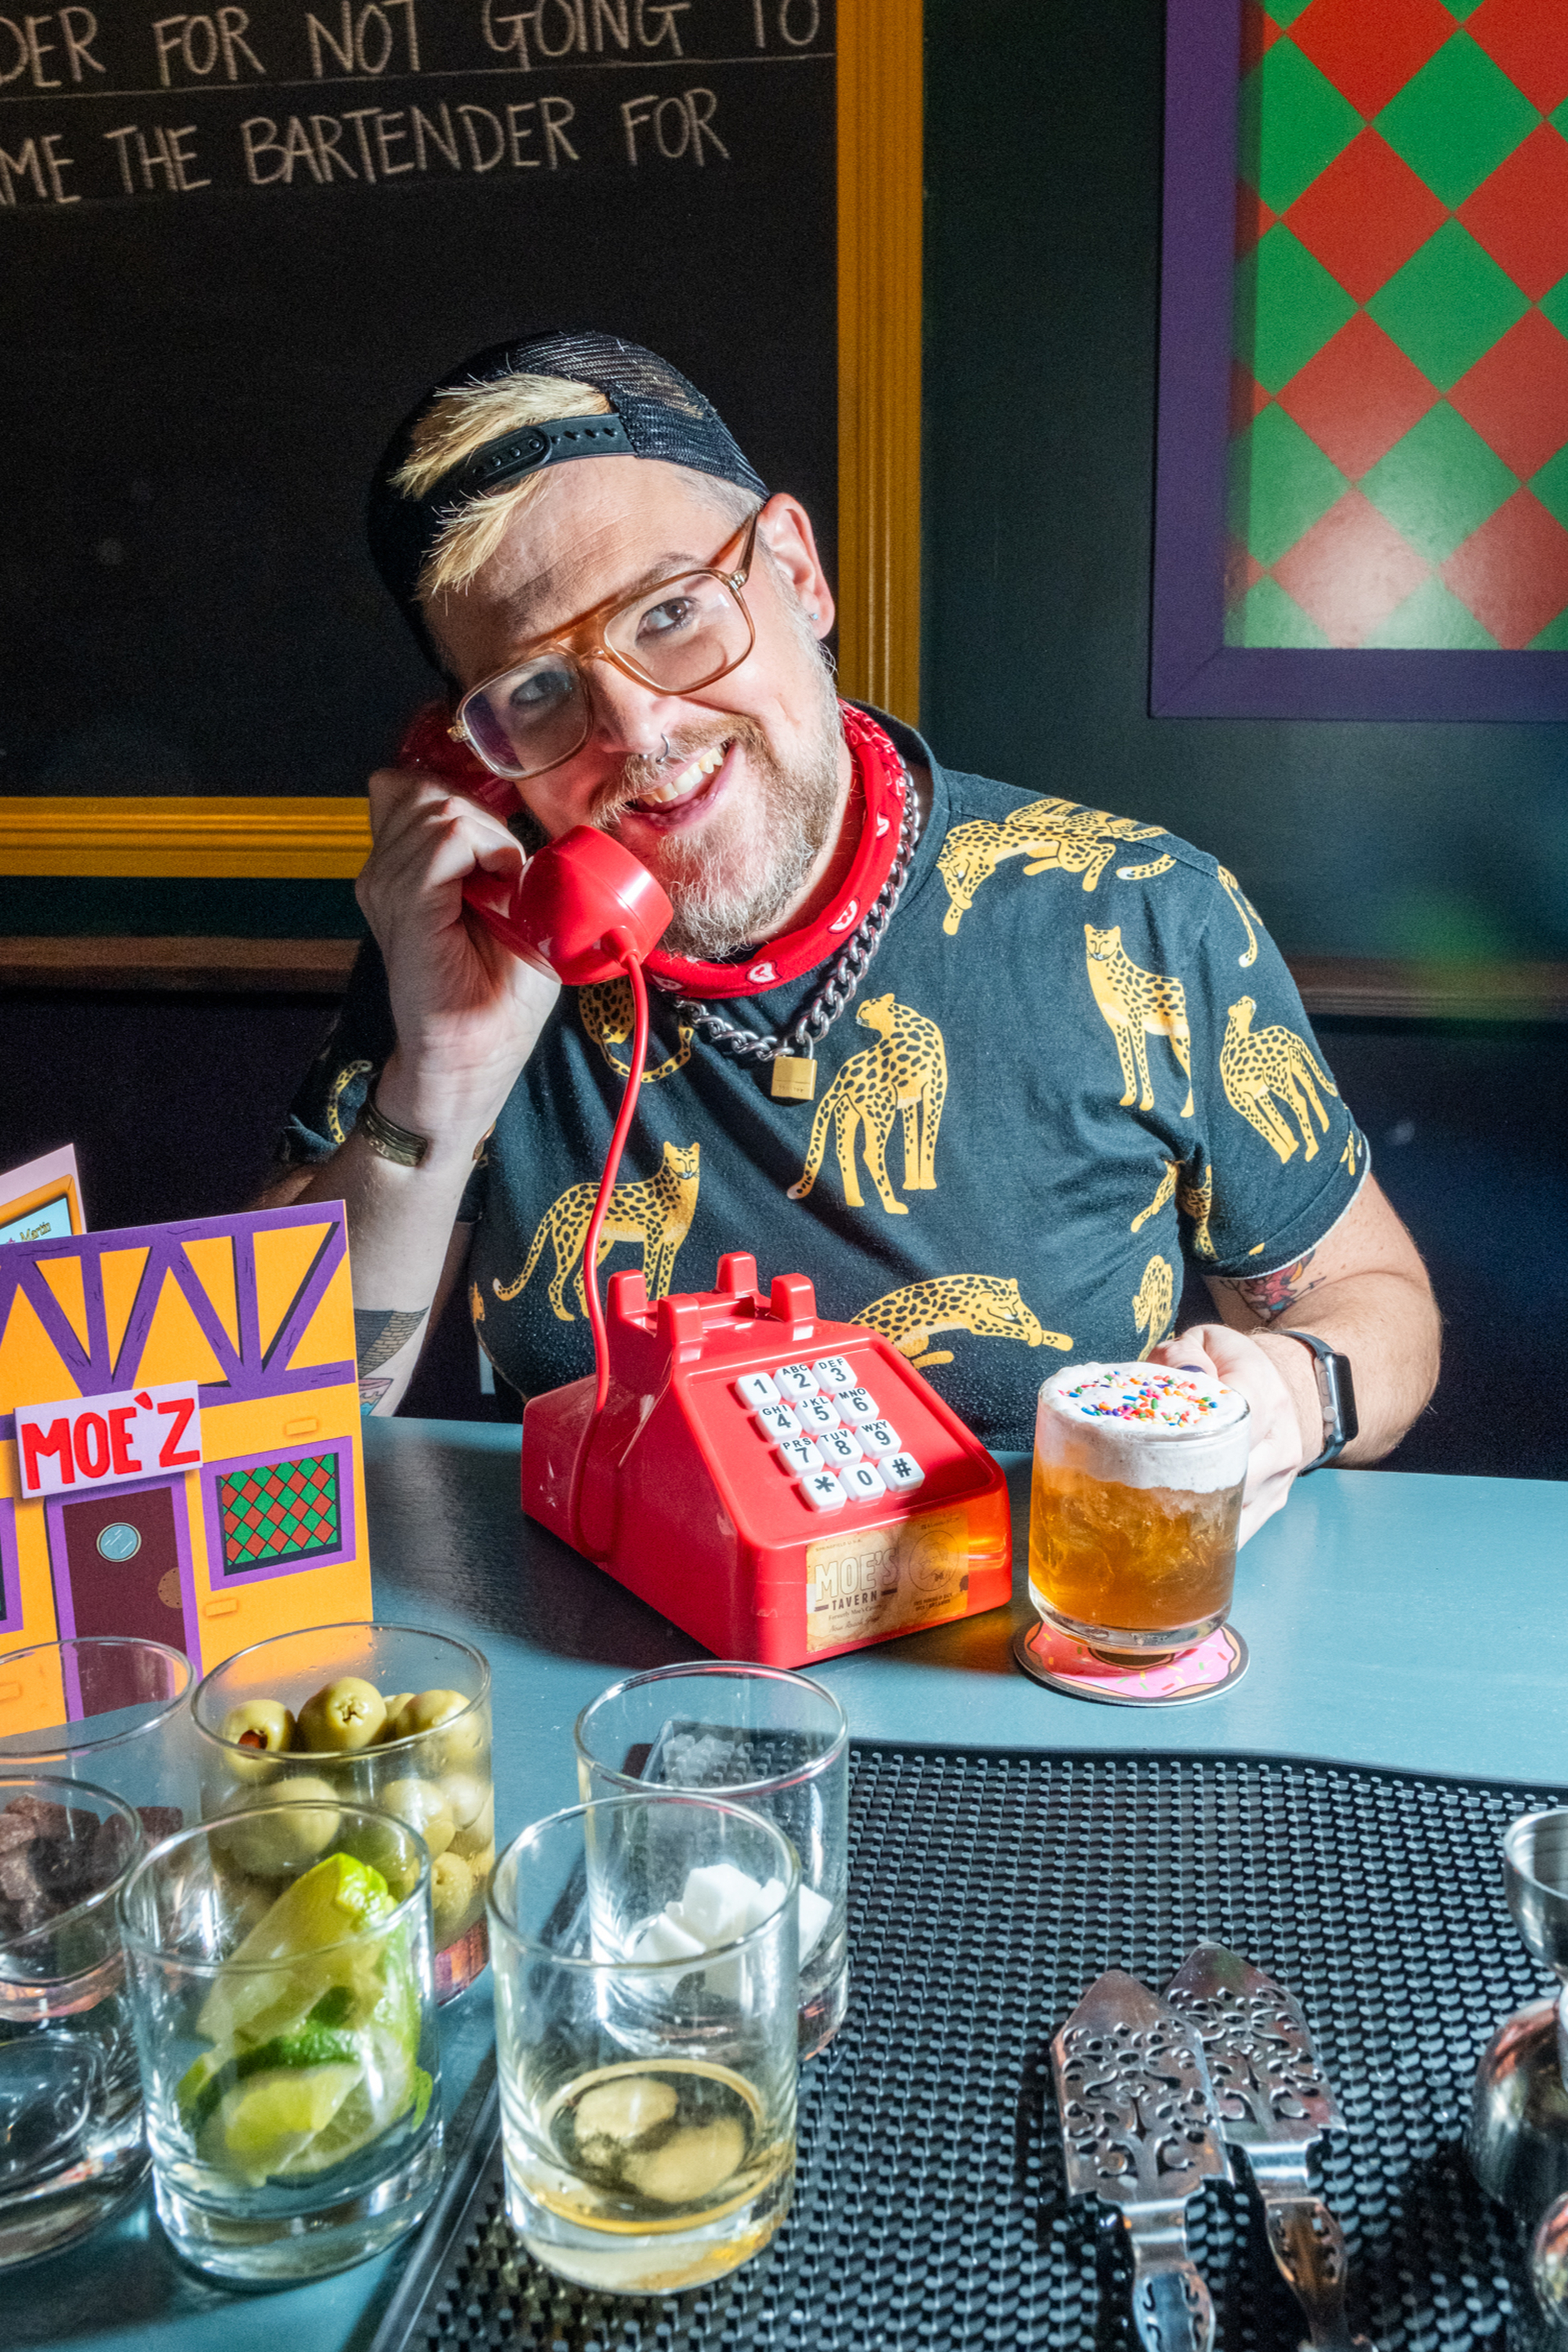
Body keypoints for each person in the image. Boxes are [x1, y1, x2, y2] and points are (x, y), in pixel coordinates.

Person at [266, 331, 1439, 1540]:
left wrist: (1292, 1393)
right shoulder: (472, 961)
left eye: (671, 612)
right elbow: (284, 1448)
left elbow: (1371, 1296)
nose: (642, 730)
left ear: (796, 572)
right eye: (538, 691)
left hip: (1029, 1661)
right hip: (615, 1686)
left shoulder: (1140, 909)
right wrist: (445, 1084)